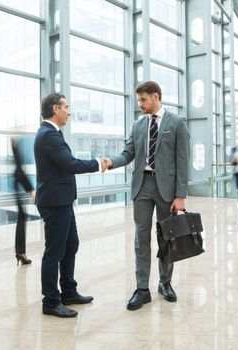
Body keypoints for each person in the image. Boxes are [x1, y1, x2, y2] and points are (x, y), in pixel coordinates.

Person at [102, 81, 190, 311]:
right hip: (142, 185)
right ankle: (142, 288)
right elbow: (128, 153)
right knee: (141, 238)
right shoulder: (138, 125)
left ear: (155, 96)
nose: (139, 104)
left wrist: (181, 195)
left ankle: (165, 282)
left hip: (167, 189)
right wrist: (111, 162)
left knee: (166, 237)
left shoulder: (177, 123)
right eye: (138, 100)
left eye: (143, 100)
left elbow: (183, 160)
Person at [34, 93, 107, 318]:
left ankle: (68, 291)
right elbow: (70, 164)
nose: (69, 111)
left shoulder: (53, 133)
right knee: (54, 252)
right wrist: (97, 163)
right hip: (55, 203)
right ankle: (51, 302)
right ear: (55, 109)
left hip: (62, 200)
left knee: (70, 245)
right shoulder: (48, 135)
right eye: (66, 107)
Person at [10, 138, 36, 266]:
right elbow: (19, 169)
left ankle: (20, 252)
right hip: (19, 187)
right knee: (21, 219)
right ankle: (21, 252)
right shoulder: (18, 166)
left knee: (21, 218)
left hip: (18, 186)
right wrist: (31, 189)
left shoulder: (16, 146)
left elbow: (18, 166)